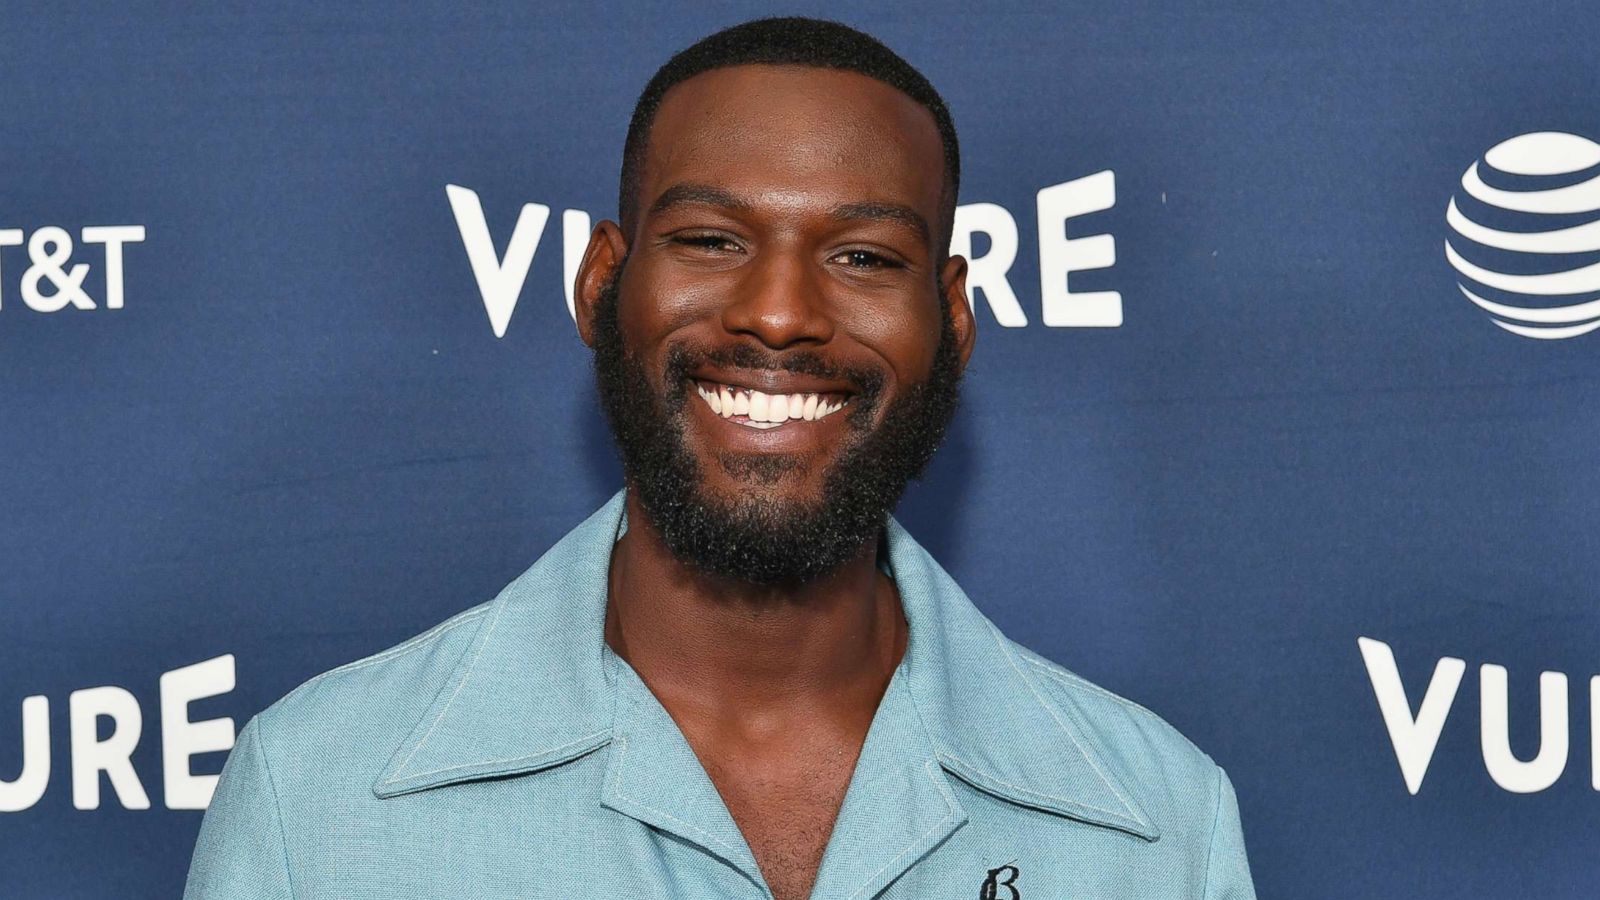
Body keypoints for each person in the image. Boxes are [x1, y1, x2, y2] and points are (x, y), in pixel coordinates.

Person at [184, 16, 1255, 900]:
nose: (781, 313)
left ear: (953, 323)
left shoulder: (1152, 824)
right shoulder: (322, 798)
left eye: (864, 256)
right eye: (711, 240)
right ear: (603, 285)